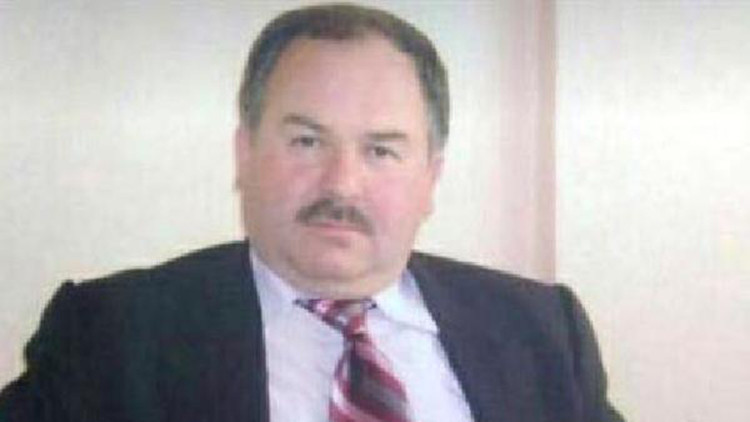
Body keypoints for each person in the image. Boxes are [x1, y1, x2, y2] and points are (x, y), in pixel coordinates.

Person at [0, 3, 624, 422]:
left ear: (430, 179)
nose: (341, 184)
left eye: (381, 150)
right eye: (306, 141)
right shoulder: (112, 337)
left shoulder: (542, 333)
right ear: (245, 154)